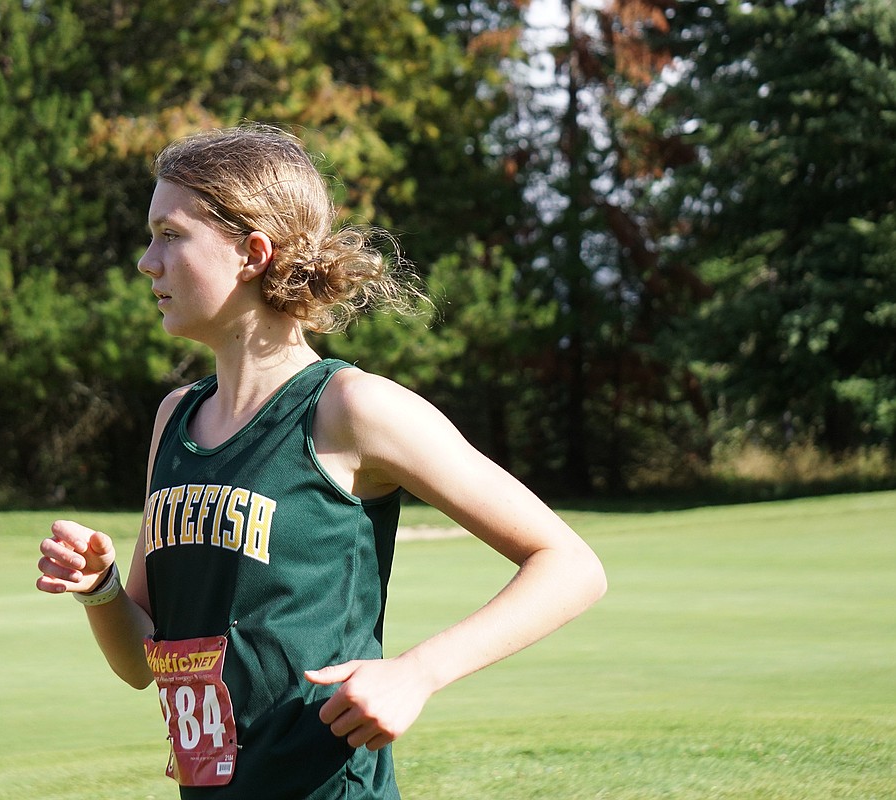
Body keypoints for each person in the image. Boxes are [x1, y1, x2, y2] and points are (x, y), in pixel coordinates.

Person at [36, 124, 607, 799]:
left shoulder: (351, 408)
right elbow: (142, 661)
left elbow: (571, 567)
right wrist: (99, 585)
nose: (146, 261)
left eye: (170, 234)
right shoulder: (175, 419)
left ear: (251, 253)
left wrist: (417, 672)